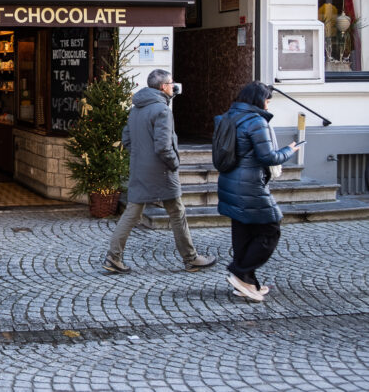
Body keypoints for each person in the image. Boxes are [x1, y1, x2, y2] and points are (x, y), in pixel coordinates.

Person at [103, 69, 218, 274]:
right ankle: (191, 258)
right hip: (162, 171)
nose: (174, 86)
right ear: (164, 87)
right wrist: (174, 164)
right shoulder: (162, 110)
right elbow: (164, 147)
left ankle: (114, 257)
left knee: (132, 213)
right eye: (171, 83)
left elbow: (127, 139)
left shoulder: (136, 108)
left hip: (139, 169)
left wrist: (141, 157)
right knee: (177, 212)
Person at [217, 81, 301, 302]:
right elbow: (268, 157)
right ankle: (240, 271)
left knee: (244, 232)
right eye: (267, 100)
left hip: (230, 181)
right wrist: (289, 150)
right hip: (250, 185)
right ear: (258, 100)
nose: (268, 104)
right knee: (270, 229)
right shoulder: (255, 121)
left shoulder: (229, 116)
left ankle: (246, 282)